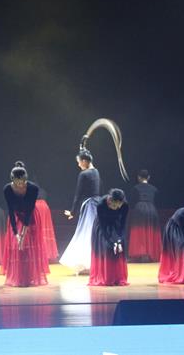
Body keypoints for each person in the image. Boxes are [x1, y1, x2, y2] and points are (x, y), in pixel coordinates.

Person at [60, 118, 129, 275]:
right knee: (94, 233)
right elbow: (101, 188)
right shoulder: (96, 171)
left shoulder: (84, 174)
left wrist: (72, 212)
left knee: (86, 233)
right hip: (97, 203)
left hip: (90, 205)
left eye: (79, 162)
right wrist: (82, 145)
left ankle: (87, 264)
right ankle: (93, 263)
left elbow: (78, 194)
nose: (78, 164)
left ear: (84, 161)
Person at [1, 161, 49, 287]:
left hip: (30, 217)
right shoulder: (7, 189)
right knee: (17, 246)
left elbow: (29, 211)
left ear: (25, 179)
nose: (20, 185)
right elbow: (10, 211)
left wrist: (23, 233)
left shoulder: (33, 188)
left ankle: (30, 276)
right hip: (16, 217)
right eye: (17, 182)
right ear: (12, 179)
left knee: (29, 245)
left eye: (22, 182)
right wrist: (16, 233)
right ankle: (19, 277)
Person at [89, 189, 129, 286]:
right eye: (114, 206)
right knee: (106, 247)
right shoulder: (101, 204)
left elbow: (123, 223)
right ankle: (106, 277)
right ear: (110, 200)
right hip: (102, 227)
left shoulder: (124, 205)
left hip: (116, 225)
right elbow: (102, 225)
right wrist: (110, 240)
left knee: (119, 249)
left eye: (119, 206)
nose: (116, 208)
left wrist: (119, 238)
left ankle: (118, 277)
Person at [127, 169, 161, 262]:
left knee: (139, 232)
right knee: (150, 230)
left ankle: (140, 254)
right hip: (152, 209)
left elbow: (131, 201)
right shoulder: (154, 189)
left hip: (139, 209)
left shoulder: (135, 188)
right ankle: (150, 253)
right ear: (148, 177)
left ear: (139, 177)